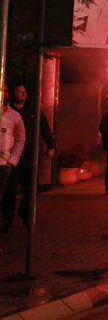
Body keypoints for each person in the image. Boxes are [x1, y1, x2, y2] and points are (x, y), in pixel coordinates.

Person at [2, 85, 55, 232]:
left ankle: (25, 212)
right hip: (12, 157)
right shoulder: (8, 112)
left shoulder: (33, 111)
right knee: (10, 190)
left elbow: (44, 128)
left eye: (23, 92)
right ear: (13, 94)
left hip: (29, 156)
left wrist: (51, 145)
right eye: (18, 92)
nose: (21, 94)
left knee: (33, 188)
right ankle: (7, 220)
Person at [0, 86, 26, 249]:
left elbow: (20, 138)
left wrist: (12, 160)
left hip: (4, 165)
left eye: (6, 90)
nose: (4, 94)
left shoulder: (14, 116)